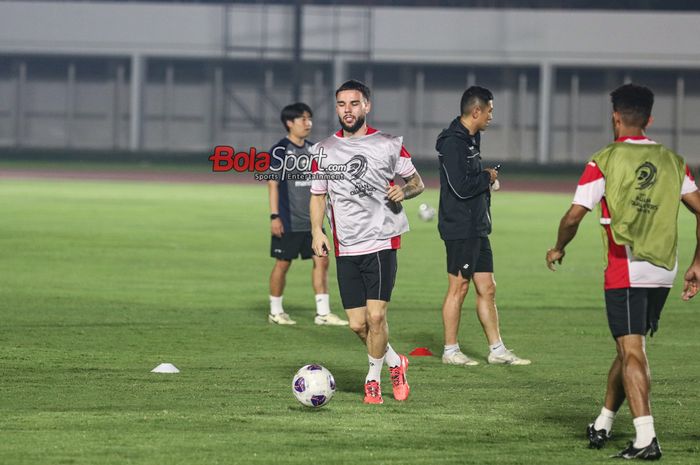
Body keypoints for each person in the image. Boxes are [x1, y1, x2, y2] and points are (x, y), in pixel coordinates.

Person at [546, 83, 700, 460]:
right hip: (664, 269)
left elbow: (573, 215)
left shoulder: (605, 159)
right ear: (648, 119)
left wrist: (559, 246)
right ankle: (603, 422)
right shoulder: (673, 161)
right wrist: (697, 264)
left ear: (615, 117)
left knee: (631, 351)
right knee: (629, 347)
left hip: (626, 266)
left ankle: (646, 438)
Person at [309, 80, 425, 404]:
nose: (348, 110)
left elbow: (417, 181)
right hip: (346, 245)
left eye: (354, 103)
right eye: (342, 104)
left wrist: (405, 190)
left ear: (367, 106)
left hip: (381, 239)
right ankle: (395, 362)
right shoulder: (324, 150)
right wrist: (316, 232)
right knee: (358, 325)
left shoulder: (388, 144)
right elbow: (318, 196)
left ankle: (372, 381)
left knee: (377, 318)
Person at [436, 86, 530, 367]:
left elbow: (468, 180)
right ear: (476, 111)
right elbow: (461, 188)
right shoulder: (452, 142)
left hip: (476, 226)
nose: (491, 115)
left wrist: (484, 176)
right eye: (489, 110)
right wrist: (487, 177)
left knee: (487, 287)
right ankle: (450, 350)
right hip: (460, 227)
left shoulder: (471, 138)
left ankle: (497, 350)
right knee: (459, 288)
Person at [267, 102, 348, 327]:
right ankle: (275, 311)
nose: (308, 123)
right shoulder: (280, 150)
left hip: (312, 223)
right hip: (288, 221)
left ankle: (323, 313)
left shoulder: (315, 150)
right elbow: (273, 184)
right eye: (302, 119)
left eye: (309, 118)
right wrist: (274, 216)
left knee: (322, 261)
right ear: (289, 123)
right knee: (283, 264)